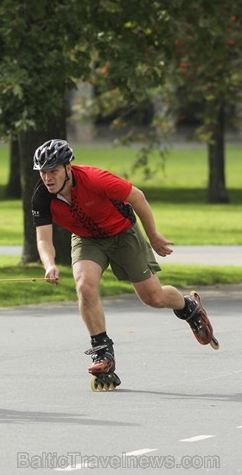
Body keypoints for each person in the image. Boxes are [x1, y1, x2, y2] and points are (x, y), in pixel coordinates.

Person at [31, 139, 218, 387]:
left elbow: (138, 197)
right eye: (43, 172)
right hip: (87, 239)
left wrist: (153, 236)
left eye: (53, 171)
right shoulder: (42, 197)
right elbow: (43, 239)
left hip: (122, 234)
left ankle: (188, 306)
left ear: (68, 167)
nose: (47, 178)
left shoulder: (95, 179)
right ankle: (102, 351)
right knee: (85, 286)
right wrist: (49, 264)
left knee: (153, 298)